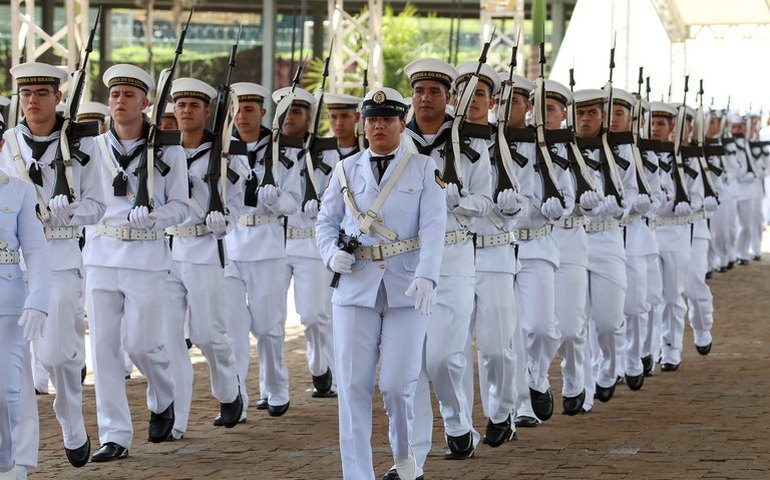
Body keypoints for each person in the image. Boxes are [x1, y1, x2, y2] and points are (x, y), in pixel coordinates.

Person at [315, 86, 445, 480]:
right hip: (355, 286)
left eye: (387, 119)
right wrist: (328, 252)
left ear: (401, 123)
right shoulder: (344, 169)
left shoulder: (424, 168)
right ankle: (357, 474)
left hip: (406, 288)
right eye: (372, 120)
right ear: (363, 124)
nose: (378, 127)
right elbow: (325, 221)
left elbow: (435, 227)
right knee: (353, 387)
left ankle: (406, 463)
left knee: (395, 385)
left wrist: (428, 274)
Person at [0, 62, 106, 469]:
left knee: (59, 357)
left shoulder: (83, 143)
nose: (32, 101)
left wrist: (73, 211)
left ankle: (71, 420)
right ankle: (18, 461)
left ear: (58, 97)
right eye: (26, 94)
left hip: (60, 259)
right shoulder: (8, 142)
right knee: (15, 372)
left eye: (41, 93)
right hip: (14, 266)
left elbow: (99, 206)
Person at [83, 64, 189, 462]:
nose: (120, 101)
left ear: (145, 102)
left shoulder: (170, 148)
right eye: (114, 95)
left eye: (129, 95)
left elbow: (183, 205)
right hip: (101, 255)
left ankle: (163, 395)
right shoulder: (90, 148)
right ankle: (115, 434)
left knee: (141, 344)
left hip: (146, 255)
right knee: (106, 350)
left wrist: (158, 216)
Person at [402, 58, 491, 467]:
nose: (425, 98)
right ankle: (410, 459)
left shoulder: (471, 145)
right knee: (409, 365)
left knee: (442, 356)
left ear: (450, 98)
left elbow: (487, 201)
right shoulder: (395, 145)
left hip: (454, 255)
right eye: (419, 91)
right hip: (406, 258)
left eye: (434, 91)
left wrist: (464, 202)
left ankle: (457, 424)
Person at [163, 77, 244, 438]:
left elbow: (237, 201)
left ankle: (229, 392)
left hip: (203, 247)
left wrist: (225, 219)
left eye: (193, 105)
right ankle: (175, 420)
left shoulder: (225, 152)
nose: (185, 111)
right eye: (180, 105)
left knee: (207, 334)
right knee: (169, 339)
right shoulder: (162, 150)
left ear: (207, 111)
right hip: (165, 250)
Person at [455, 61, 522, 446]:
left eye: (478, 93)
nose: (471, 100)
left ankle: (501, 410)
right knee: (455, 349)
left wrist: (512, 208)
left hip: (495, 253)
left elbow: (524, 198)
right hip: (454, 254)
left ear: (491, 100)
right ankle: (461, 426)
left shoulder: (506, 143)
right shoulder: (439, 140)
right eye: (464, 92)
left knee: (496, 347)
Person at [224, 83, 301, 418]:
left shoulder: (283, 151)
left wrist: (276, 201)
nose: (242, 116)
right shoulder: (221, 149)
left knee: (268, 327)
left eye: (250, 109)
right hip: (229, 245)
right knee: (232, 328)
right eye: (237, 109)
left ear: (263, 113)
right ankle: (235, 398)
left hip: (267, 246)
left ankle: (275, 388)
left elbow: (293, 200)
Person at [284, 92, 361, 398]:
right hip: (320, 243)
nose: (338, 123)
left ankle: (345, 376)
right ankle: (321, 367)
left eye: (344, 116)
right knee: (313, 315)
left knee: (346, 314)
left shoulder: (365, 152)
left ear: (357, 118)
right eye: (333, 117)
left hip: (357, 242)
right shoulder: (318, 151)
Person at [573, 88, 638, 404]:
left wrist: (620, 206)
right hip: (574, 237)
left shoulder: (620, 152)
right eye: (580, 113)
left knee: (609, 320)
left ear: (602, 117)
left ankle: (609, 369)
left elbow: (633, 192)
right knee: (577, 320)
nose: (586, 119)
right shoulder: (562, 149)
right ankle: (583, 389)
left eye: (593, 113)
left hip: (609, 238)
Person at [608, 88, 660, 390]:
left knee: (636, 304)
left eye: (620, 113)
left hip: (636, 235)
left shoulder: (644, 152)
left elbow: (658, 191)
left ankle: (634, 357)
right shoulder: (592, 148)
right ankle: (607, 365)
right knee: (603, 309)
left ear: (632, 118)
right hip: (604, 234)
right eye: (611, 112)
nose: (614, 119)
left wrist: (644, 202)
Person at [0, 165, 50, 480]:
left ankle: (7, 461)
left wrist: (39, 300)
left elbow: (36, 250)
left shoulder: (19, 190)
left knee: (6, 389)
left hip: (9, 299)